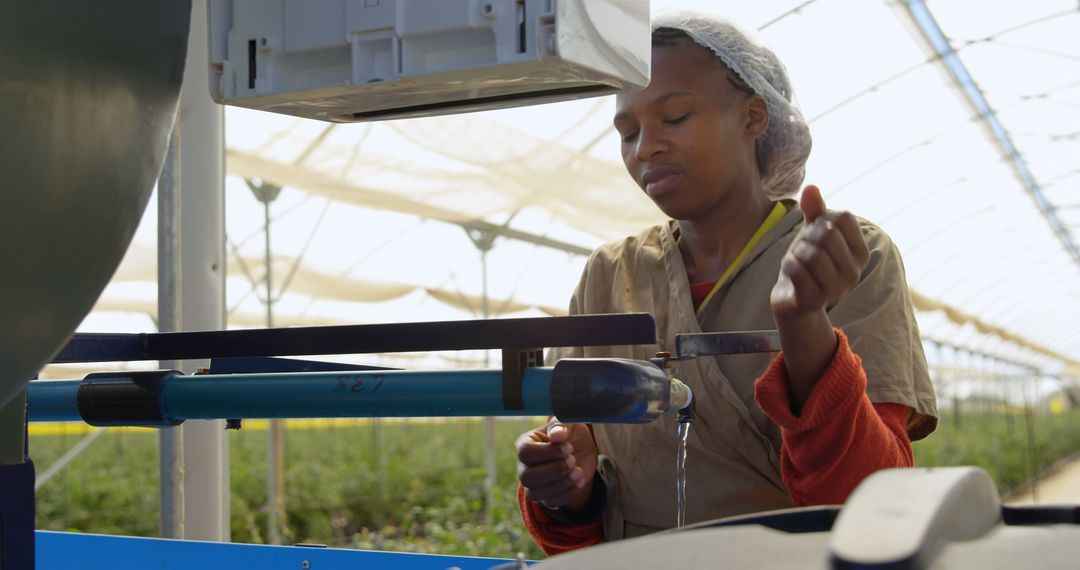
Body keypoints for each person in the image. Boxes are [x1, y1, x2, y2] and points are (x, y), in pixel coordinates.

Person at [514, 12, 939, 555]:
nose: (645, 148)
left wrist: (807, 330)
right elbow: (574, 498)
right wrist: (565, 490)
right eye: (627, 132)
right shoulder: (608, 274)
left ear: (754, 116)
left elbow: (871, 499)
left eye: (675, 116)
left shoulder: (848, 259)